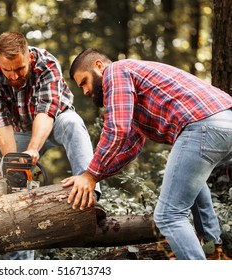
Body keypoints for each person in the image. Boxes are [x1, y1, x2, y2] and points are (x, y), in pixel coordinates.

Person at [62, 48, 232, 260]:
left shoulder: (116, 71)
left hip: (202, 125)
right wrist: (95, 175)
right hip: (224, 121)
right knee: (192, 183)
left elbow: (117, 129)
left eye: (84, 82)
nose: (85, 91)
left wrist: (89, 175)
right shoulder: (133, 93)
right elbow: (129, 148)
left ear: (98, 65)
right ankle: (213, 251)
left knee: (168, 217)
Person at [0, 33, 101, 260]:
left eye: (20, 69)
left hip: (55, 120)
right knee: (15, 187)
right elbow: (0, 123)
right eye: (8, 71)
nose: (14, 76)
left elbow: (46, 111)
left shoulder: (47, 63)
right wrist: (15, 163)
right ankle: (19, 263)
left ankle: (90, 194)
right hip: (19, 130)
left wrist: (33, 149)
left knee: (73, 123)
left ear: (29, 58)